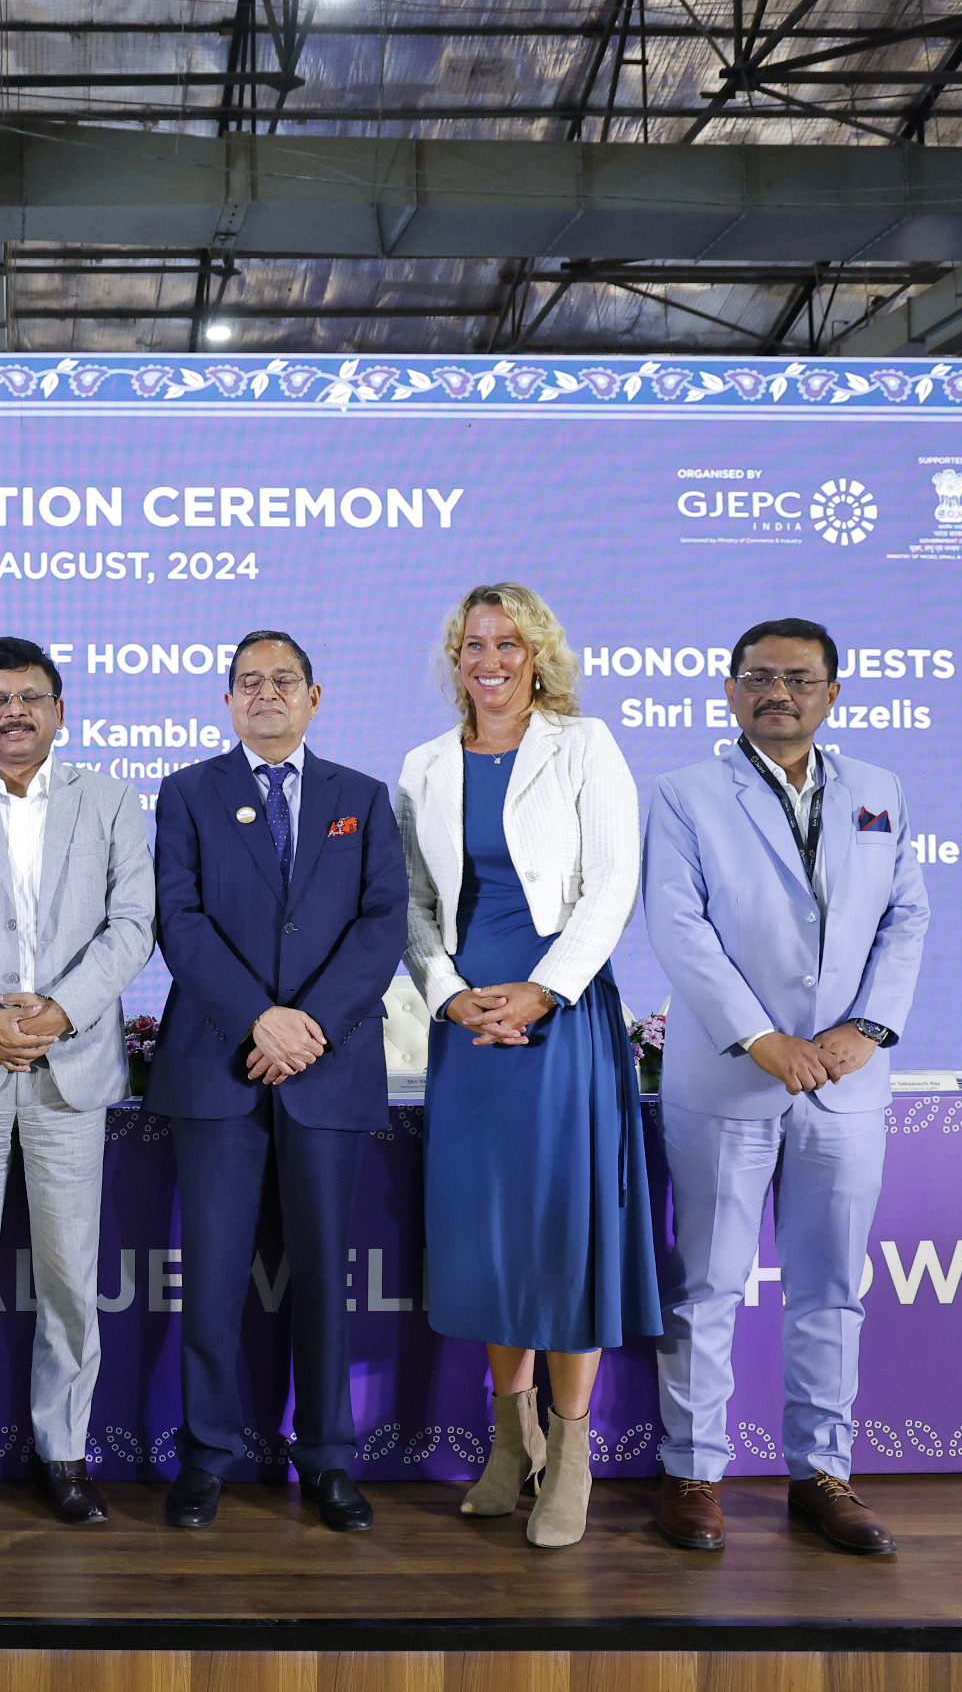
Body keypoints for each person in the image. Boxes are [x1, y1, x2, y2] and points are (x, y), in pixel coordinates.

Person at [643, 618, 928, 1556]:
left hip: (847, 1081)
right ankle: (694, 1474)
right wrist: (763, 1038)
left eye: (798, 679)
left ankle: (824, 1475)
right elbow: (680, 929)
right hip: (729, 1078)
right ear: (729, 691)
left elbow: (906, 916)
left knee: (831, 1288)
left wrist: (865, 1030)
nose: (779, 692)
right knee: (709, 1287)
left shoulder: (879, 791)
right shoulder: (685, 794)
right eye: (759, 677)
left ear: (832, 694)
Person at [395, 581, 657, 1549]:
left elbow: (613, 880)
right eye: (473, 643)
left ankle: (572, 1458)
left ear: (537, 652)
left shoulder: (583, 746)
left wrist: (542, 989)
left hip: (560, 1015)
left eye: (508, 641)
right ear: (453, 659)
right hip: (468, 1026)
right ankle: (512, 1441)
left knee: (560, 1233)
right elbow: (414, 905)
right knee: (488, 1235)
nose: (490, 659)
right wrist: (451, 994)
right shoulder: (424, 764)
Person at [145, 630, 405, 1533]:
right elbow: (176, 920)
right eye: (248, 683)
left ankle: (329, 1459)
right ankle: (207, 1456)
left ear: (315, 697)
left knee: (324, 1277)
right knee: (212, 1278)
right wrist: (259, 1018)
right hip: (218, 1064)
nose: (265, 695)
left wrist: (308, 1027)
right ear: (227, 701)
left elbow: (382, 926)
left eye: (282, 681)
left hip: (327, 1070)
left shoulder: (362, 800)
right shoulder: (185, 795)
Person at [0, 637, 155, 1528]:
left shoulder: (113, 800)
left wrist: (55, 1013)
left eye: (32, 697)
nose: (15, 712)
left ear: (59, 711)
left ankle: (66, 1454)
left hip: (71, 1069)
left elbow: (132, 925)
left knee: (68, 1277)